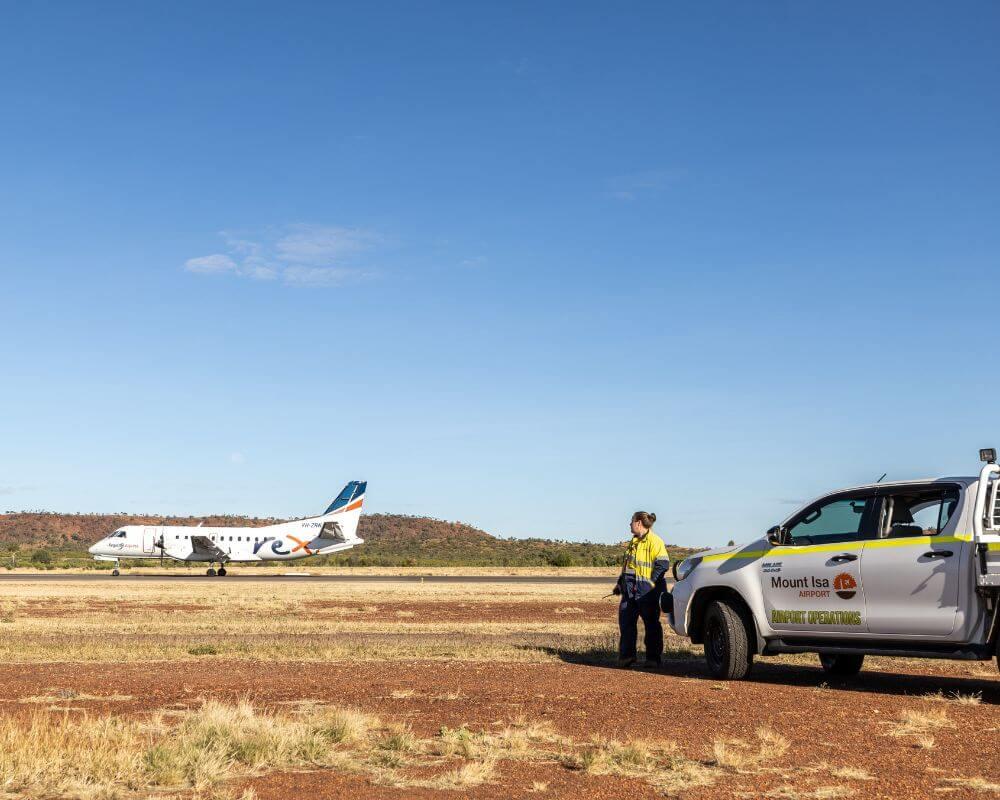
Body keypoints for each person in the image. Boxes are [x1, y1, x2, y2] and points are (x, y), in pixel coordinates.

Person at [614, 510, 670, 668]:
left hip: (648, 592)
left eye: (631, 521)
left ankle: (653, 659)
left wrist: (650, 583)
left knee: (651, 625)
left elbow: (663, 564)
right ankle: (627, 657)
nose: (629, 524)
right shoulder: (634, 541)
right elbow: (628, 566)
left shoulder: (655, 541)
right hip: (630, 590)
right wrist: (620, 583)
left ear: (638, 523)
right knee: (626, 623)